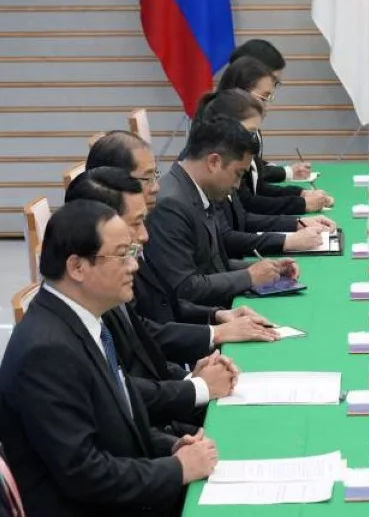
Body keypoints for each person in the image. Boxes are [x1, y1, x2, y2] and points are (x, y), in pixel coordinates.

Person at [0, 200, 218, 516]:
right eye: (121, 255)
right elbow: (84, 473)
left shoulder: (84, 321)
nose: (134, 266)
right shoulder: (46, 352)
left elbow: (116, 419)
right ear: (77, 267)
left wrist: (170, 447)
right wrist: (175, 470)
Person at [64, 169, 243, 430]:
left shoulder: (103, 290)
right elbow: (116, 396)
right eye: (136, 223)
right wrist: (196, 386)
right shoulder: (78, 313)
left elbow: (142, 345)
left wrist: (190, 376)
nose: (145, 235)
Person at [85, 130, 274, 332]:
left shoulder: (154, 213)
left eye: (155, 175)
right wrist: (215, 333)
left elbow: (163, 303)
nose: (156, 187)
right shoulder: (168, 205)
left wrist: (215, 316)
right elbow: (144, 326)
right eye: (147, 178)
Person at [145, 114, 300, 308]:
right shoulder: (170, 204)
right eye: (238, 174)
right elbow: (184, 288)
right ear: (214, 162)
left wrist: (265, 268)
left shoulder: (195, 190)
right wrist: (248, 277)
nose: (237, 185)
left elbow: (214, 267)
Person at [195, 89, 332, 243]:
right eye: (251, 132)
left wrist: (296, 223)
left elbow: (241, 218)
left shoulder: (225, 165)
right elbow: (228, 237)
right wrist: (288, 241)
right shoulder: (206, 178)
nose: (254, 139)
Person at [217, 56, 333, 213]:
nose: (266, 108)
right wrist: (301, 204)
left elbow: (257, 188)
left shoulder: (247, 132)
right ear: (239, 94)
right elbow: (247, 204)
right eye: (263, 98)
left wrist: (301, 194)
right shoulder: (222, 139)